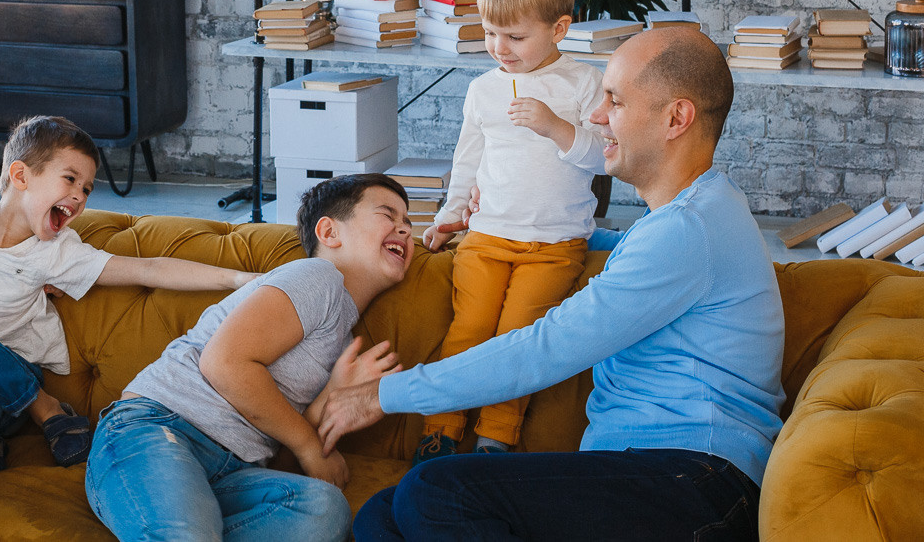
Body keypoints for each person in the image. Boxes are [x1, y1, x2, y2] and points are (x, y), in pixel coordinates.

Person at [319, 28, 787, 542]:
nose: (596, 117)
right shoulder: (694, 214)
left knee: (434, 490)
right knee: (380, 514)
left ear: (676, 117)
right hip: (658, 474)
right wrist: (507, 223)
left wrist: (383, 395)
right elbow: (623, 247)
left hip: (694, 480)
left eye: (616, 101)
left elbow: (545, 347)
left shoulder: (686, 231)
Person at [0, 115, 258, 471]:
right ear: (20, 176)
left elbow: (148, 268)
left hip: (4, 392)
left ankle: (49, 410)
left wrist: (237, 280)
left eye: (87, 188)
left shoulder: (57, 250)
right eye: (69, 179)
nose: (80, 196)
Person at [85, 174, 414, 542]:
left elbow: (281, 464)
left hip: (234, 470)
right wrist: (310, 446)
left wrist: (329, 397)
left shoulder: (342, 336)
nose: (404, 229)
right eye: (389, 215)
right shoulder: (317, 276)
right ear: (329, 232)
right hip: (160, 428)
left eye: (409, 223)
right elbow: (223, 363)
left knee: (323, 508)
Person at [415, 0, 607, 461]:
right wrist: (451, 215)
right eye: (491, 32)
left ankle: (496, 438)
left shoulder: (584, 85)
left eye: (516, 36)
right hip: (486, 238)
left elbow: (605, 158)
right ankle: (441, 427)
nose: (500, 47)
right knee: (469, 331)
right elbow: (468, 162)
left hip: (553, 245)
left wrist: (556, 127)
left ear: (560, 29)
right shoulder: (483, 90)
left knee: (519, 339)